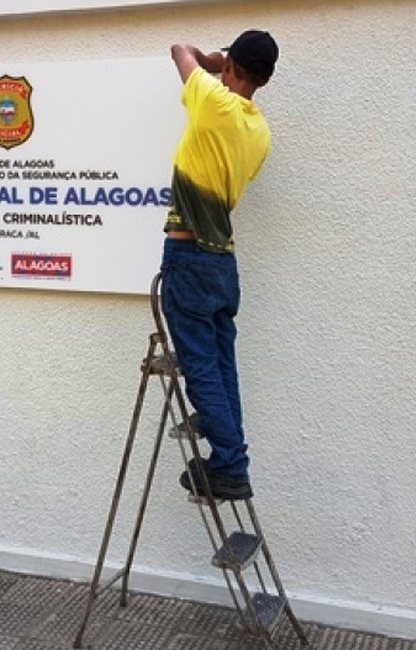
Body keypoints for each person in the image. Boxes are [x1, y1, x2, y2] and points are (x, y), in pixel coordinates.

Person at [160, 31, 278, 501]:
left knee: (201, 366)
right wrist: (224, 65)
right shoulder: (259, 131)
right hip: (222, 263)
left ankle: (228, 465)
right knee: (222, 366)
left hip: (189, 257)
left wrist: (209, 60)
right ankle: (234, 459)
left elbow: (178, 50)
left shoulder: (214, 102)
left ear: (233, 67)